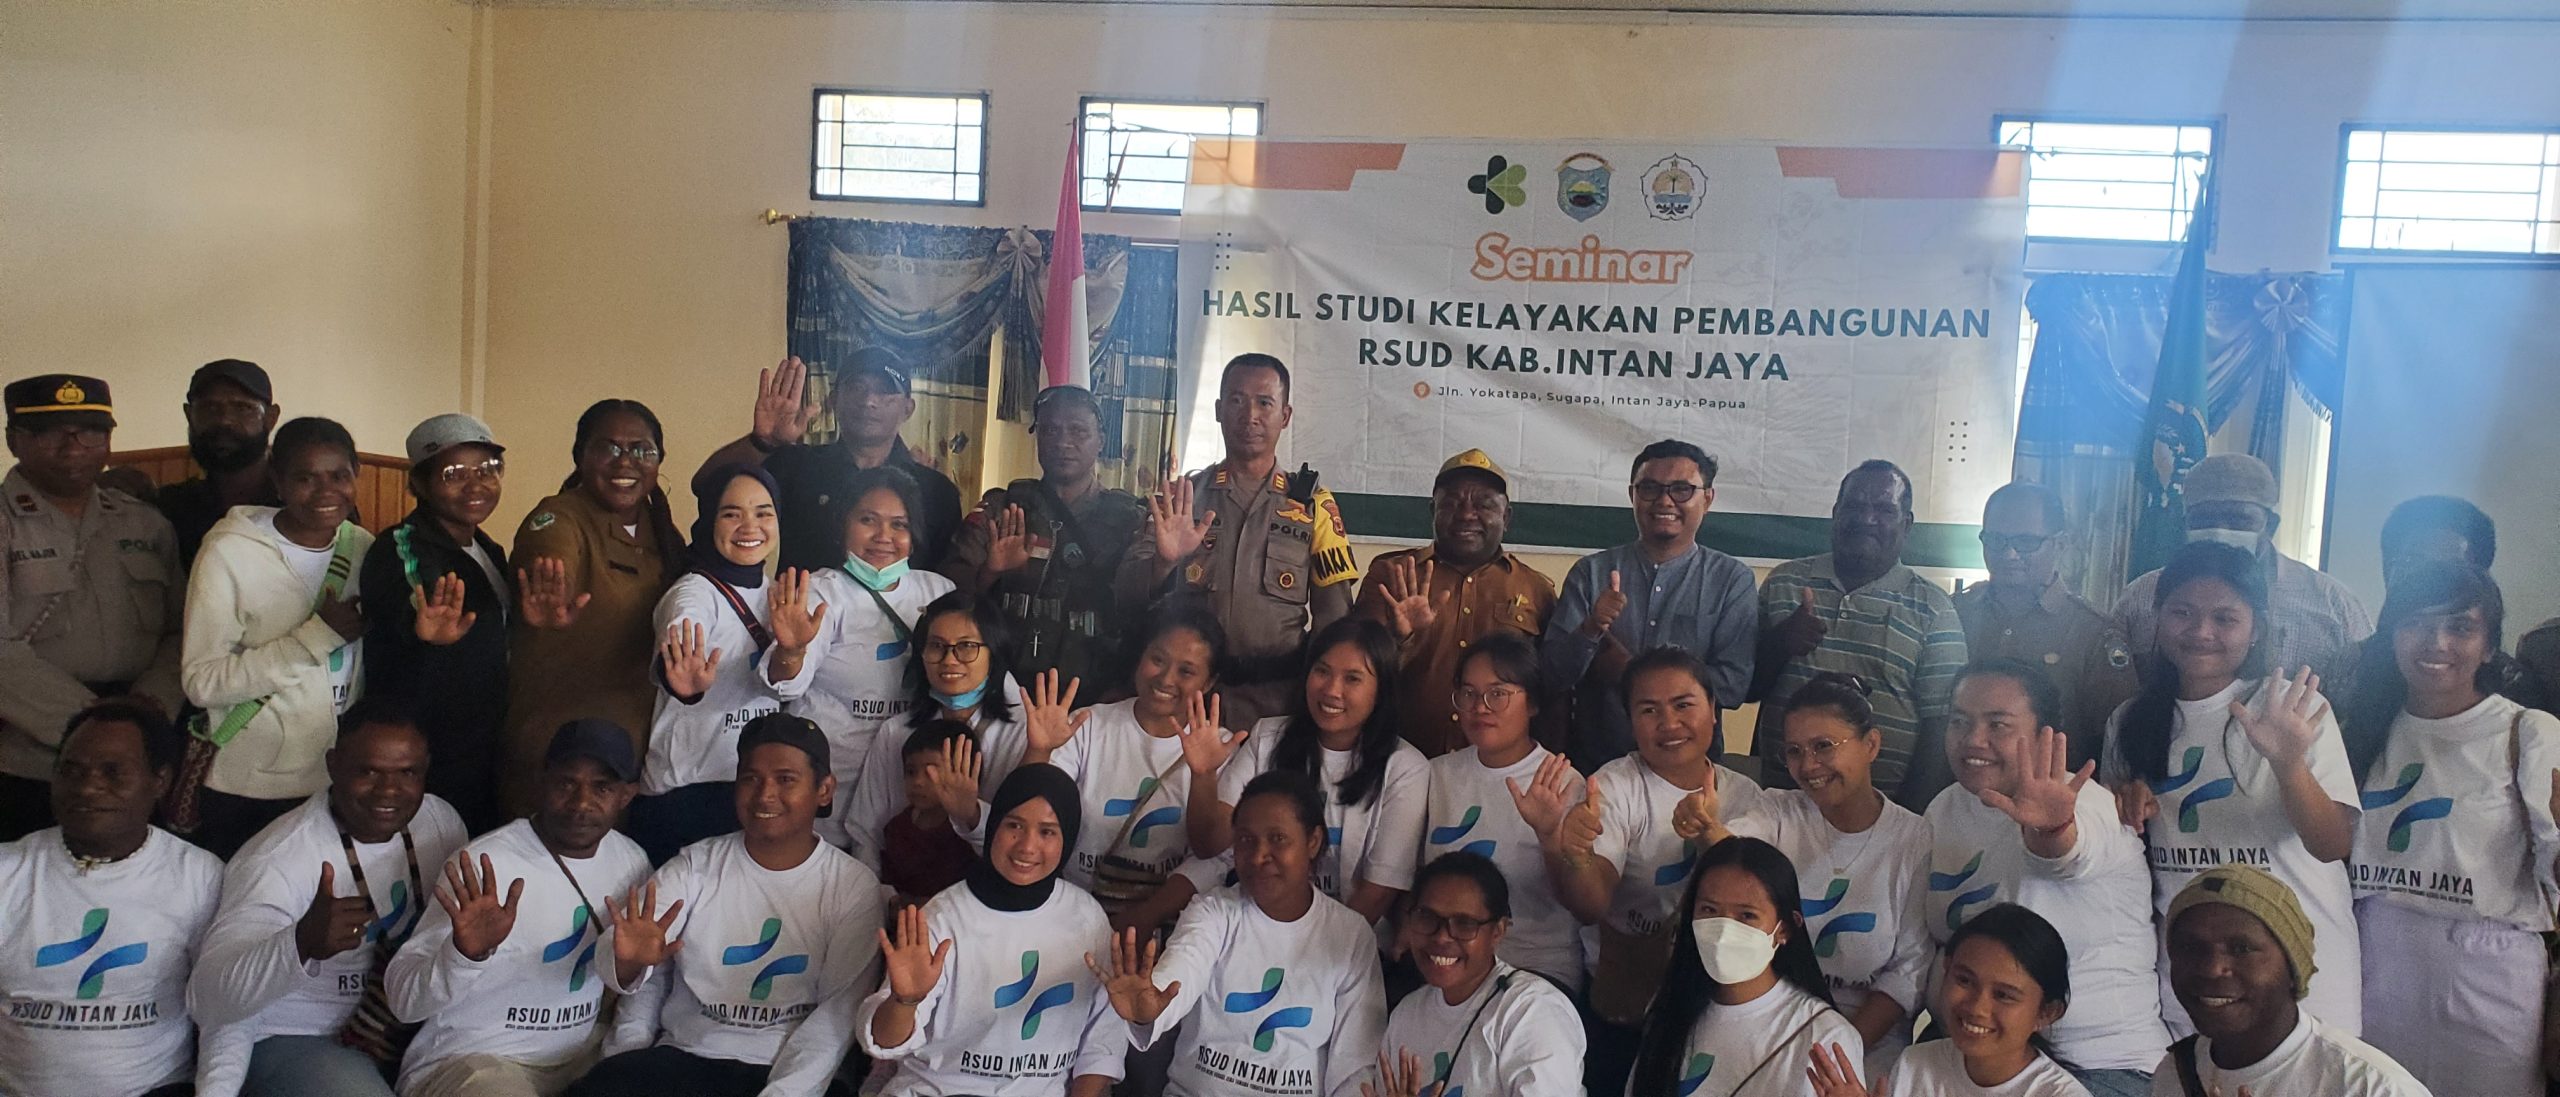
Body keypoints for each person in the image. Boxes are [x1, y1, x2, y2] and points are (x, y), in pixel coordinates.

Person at [2100, 542, 2361, 1035]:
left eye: (2225, 618)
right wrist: (2120, 809)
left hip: (2301, 968)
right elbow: (2116, 849)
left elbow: (2332, 844)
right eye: (2182, 613)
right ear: (2158, 618)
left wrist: (2287, 762)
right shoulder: (2128, 721)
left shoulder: (2292, 708)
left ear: (2256, 627)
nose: (2202, 632)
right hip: (2191, 968)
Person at [570, 714, 884, 1097]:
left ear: (824, 789)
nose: (765, 795)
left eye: (786, 779)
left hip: (787, 1071)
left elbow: (836, 1017)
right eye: (751, 779)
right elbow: (624, 953)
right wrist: (628, 962)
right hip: (686, 1057)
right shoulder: (694, 865)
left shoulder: (853, 885)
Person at [2337, 562, 2556, 1097]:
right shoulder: (2361, 731)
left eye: (2460, 627)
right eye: (2416, 623)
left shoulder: (2526, 732)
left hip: (2489, 975)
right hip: (2371, 965)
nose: (2436, 642)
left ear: (2489, 646)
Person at [188, 701, 471, 1097]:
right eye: (368, 771)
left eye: (407, 773)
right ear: (334, 765)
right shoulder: (279, 858)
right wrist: (299, 943)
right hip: (297, 1034)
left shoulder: (439, 822)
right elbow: (206, 999)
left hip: (402, 1024)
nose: (388, 790)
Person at [1532, 645, 1769, 1093]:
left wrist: (1710, 835)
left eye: (1683, 705)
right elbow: (1592, 905)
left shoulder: (1748, 797)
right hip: (1623, 1002)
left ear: (1713, 710)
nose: (1669, 723)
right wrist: (1576, 853)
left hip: (1713, 1002)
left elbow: (1753, 904)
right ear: (1630, 720)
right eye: (1649, 710)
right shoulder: (1614, 786)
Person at [1923, 660, 2164, 1096]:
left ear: (2042, 736)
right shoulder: (1945, 808)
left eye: (1998, 724)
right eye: (1959, 721)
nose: (1973, 739)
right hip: (1975, 1055)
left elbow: (2066, 855)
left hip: (2097, 1066)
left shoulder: (2086, 804)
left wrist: (2052, 829)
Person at [386, 720, 654, 1097]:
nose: (581, 803)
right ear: (542, 780)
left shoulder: (632, 862)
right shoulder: (483, 865)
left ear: (626, 795)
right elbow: (403, 1001)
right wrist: (463, 955)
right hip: (475, 1061)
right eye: (566, 783)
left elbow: (642, 984)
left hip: (580, 1057)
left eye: (602, 787)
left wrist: (631, 974)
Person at [1086, 769, 1388, 1097]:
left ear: (1312, 842)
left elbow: (1353, 1066)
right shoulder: (1214, 912)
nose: (1258, 856)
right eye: (1245, 840)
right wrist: (1149, 1010)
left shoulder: (1351, 935)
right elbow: (1180, 974)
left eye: (1278, 839)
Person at [856, 763, 1128, 1096]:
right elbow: (884, 1042)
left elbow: (1101, 1044)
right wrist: (904, 1001)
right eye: (1014, 825)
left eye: (1047, 832)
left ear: (1068, 838)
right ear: (994, 825)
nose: (1027, 846)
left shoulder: (1087, 918)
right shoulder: (944, 916)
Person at [1118, 353, 1358, 728]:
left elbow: (1335, 620)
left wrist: (1317, 702)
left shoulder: (1314, 507)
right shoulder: (1182, 498)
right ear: (1218, 410)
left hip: (1277, 704)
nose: (1250, 416)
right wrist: (1163, 563)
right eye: (1236, 400)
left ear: (1285, 416)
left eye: (1264, 403)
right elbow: (1125, 597)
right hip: (1185, 700)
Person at [0, 701, 224, 1097]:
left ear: (160, 781)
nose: (88, 788)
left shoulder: (198, 876)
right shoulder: (8, 870)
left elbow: (222, 1008)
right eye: (72, 771)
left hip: (152, 1089)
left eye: (113, 772)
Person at [1, 374, 185, 842]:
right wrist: (96, 722)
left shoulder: (144, 523)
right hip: (31, 756)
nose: (73, 447)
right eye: (50, 432)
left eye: (90, 432)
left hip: (136, 757)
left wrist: (150, 710)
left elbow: (180, 630)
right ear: (13, 440)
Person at [179, 416, 374, 857]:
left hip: (339, 778)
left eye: (339, 475)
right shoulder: (229, 551)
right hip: (252, 786)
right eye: (306, 478)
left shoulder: (362, 546)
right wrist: (315, 638)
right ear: (278, 481)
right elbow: (201, 682)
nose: (326, 491)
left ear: (356, 474)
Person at [1161, 616, 1431, 930]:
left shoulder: (1406, 769)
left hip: (1344, 939)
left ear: (1381, 690)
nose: (1331, 690)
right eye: (1322, 671)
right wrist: (1204, 775)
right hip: (1253, 926)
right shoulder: (1268, 737)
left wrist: (1303, 948)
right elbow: (1211, 845)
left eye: (1352, 679)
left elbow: (1376, 895)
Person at [1730, 673, 1934, 1078]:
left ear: (1871, 744)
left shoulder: (1914, 838)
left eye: (1823, 746)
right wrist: (1705, 831)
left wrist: (1837, 1051)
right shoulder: (1779, 813)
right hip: (1775, 1025)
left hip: (1869, 1041)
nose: (1808, 766)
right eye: (1794, 751)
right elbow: (1731, 850)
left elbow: (1909, 969)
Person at [498, 400, 687, 819]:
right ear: (580, 456)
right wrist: (553, 596)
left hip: (631, 759)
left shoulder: (660, 528)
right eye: (609, 447)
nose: (626, 461)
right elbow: (551, 555)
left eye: (642, 449)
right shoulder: (559, 517)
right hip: (559, 760)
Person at [628, 465, 822, 864]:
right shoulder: (692, 592)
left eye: (763, 513)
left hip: (749, 788)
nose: (750, 526)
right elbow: (681, 633)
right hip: (683, 794)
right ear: (709, 521)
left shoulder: (777, 596)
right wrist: (682, 681)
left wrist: (792, 650)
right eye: (732, 513)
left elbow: (785, 684)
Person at [1754, 460, 1968, 810]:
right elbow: (1747, 690)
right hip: (1784, 807)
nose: (1867, 519)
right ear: (1836, 514)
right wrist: (1780, 644)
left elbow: (1941, 727)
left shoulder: (1934, 608)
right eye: (1854, 506)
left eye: (1884, 509)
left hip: (1886, 814)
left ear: (1906, 523)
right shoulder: (1784, 583)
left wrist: (1909, 818)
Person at [1544, 439, 1757, 773]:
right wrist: (1590, 630)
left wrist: (1631, 674)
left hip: (1689, 773)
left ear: (1707, 499)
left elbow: (1733, 687)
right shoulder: (1591, 573)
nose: (1664, 500)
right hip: (1597, 767)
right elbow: (1552, 675)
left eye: (1682, 490)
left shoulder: (1732, 580)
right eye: (1649, 488)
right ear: (1633, 495)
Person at [1019, 604, 1227, 921]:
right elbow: (1026, 812)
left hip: (1174, 923)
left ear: (1209, 682)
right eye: (1158, 660)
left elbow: (1211, 854)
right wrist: (1039, 750)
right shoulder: (1088, 725)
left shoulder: (1221, 750)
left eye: (1186, 671)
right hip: (1073, 911)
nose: (1166, 679)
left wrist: (1204, 775)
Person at [358, 413, 515, 833]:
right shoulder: (400, 547)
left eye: (487, 469)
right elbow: (405, 613)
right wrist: (420, 632)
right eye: (454, 474)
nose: (476, 484)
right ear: (420, 484)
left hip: (484, 742)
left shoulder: (486, 548)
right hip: (427, 750)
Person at [786, 465, 956, 848]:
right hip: (832, 790)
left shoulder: (938, 592)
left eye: (899, 524)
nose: (884, 536)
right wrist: (790, 652)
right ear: (842, 523)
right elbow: (788, 683)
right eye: (868, 520)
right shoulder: (820, 593)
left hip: (907, 792)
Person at [2152, 866, 2430, 1097]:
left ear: (2293, 966)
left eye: (2241, 949)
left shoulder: (2371, 1087)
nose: (2212, 969)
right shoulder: (2174, 1074)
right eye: (2190, 947)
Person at [946, 385, 1149, 689]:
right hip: (1003, 682)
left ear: (1101, 441)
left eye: (1078, 431)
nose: (1063, 442)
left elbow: (1146, 608)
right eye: (1050, 430)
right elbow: (948, 593)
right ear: (1038, 438)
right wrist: (990, 574)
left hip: (1096, 688)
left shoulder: (1129, 519)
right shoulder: (1003, 508)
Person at [1358, 448, 1557, 756]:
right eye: (1451, 503)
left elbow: (1550, 692)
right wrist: (1397, 638)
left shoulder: (1536, 590)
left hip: (1495, 768)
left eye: (1484, 505)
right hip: (1399, 758)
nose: (1466, 514)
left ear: (1507, 517)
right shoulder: (1391, 575)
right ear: (1432, 511)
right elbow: (1356, 671)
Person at [1630, 835, 1863, 1097]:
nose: (1723, 932)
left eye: (1747, 915)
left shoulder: (1825, 1036)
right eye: (1709, 910)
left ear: (1784, 929)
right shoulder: (1668, 1008)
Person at [2111, 454, 2370, 687]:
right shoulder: (2141, 596)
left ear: (2271, 525)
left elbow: (2360, 699)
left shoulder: (2332, 605)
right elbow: (2111, 684)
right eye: (2204, 519)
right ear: (2185, 523)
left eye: (2239, 519)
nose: (2220, 530)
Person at [694, 353, 965, 574]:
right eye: (857, 388)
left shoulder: (935, 491)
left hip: (904, 625)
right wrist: (762, 442)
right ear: (834, 400)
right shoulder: (796, 466)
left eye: (885, 391)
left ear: (908, 409)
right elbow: (708, 487)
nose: (869, 401)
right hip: (801, 620)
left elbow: (948, 580)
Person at [1424, 632, 1585, 989]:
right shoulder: (1436, 775)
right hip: (1448, 961)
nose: (1480, 707)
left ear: (1532, 703)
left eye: (1497, 694)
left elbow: (1581, 905)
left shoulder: (1562, 782)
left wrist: (1549, 837)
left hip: (1533, 967)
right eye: (1468, 693)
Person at [841, 592, 1032, 868]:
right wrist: (876, 890)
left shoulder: (1021, 733)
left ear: (994, 653)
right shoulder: (896, 732)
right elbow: (865, 832)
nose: (949, 660)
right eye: (936, 646)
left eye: (967, 646)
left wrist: (972, 814)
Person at [1373, 851, 1585, 1097]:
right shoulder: (1407, 1014)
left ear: (1498, 931)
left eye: (1465, 924)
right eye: (1427, 917)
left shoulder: (1532, 1010)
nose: (1442, 937)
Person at [1955, 482, 2136, 764]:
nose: (2009, 554)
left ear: (2060, 544)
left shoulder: (2093, 633)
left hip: (2055, 786)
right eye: (1996, 540)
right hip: (1958, 783)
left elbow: (2117, 740)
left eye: (2026, 542)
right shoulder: (1953, 613)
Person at [1832, 904, 2090, 1097]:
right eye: (1965, 981)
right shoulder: (1916, 1063)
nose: (1977, 1007)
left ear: (2046, 1013)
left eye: (2003, 995)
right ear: (1946, 970)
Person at [156, 359, 284, 569]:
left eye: (243, 408)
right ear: (189, 415)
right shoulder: (168, 509)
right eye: (209, 408)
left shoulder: (301, 503)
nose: (224, 420)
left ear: (271, 417)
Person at [877, 721, 980, 908]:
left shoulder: (969, 834)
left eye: (931, 773)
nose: (917, 782)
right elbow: (888, 886)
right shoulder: (896, 828)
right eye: (911, 772)